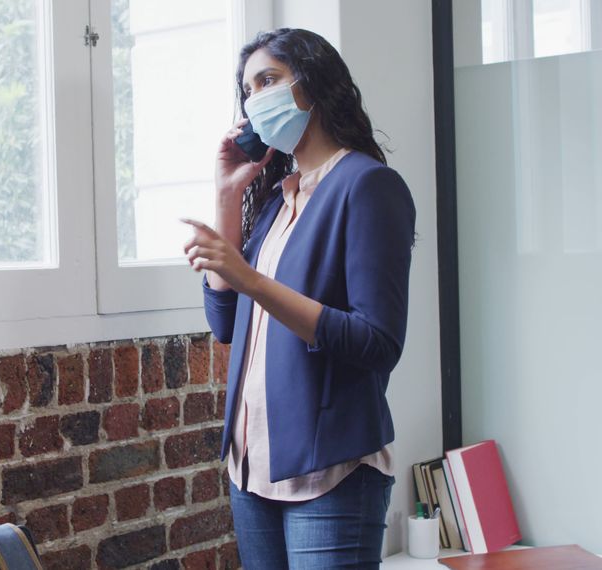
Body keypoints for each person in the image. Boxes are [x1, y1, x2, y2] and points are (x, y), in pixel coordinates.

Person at [181, 28, 416, 569]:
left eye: (269, 80)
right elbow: (225, 323)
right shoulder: (277, 200)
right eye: (247, 88)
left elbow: (377, 342)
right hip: (251, 467)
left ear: (312, 84)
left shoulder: (368, 185)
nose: (255, 97)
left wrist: (253, 280)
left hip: (331, 471)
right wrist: (227, 193)